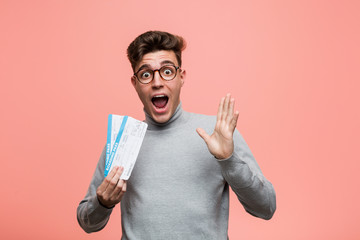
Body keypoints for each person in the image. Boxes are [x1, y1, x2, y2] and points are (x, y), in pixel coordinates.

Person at [77, 30, 276, 239]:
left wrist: (228, 160)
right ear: (135, 84)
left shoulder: (218, 133)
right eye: (146, 74)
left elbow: (266, 207)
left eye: (167, 71)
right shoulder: (122, 141)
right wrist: (102, 203)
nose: (157, 82)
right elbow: (87, 222)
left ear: (181, 77)